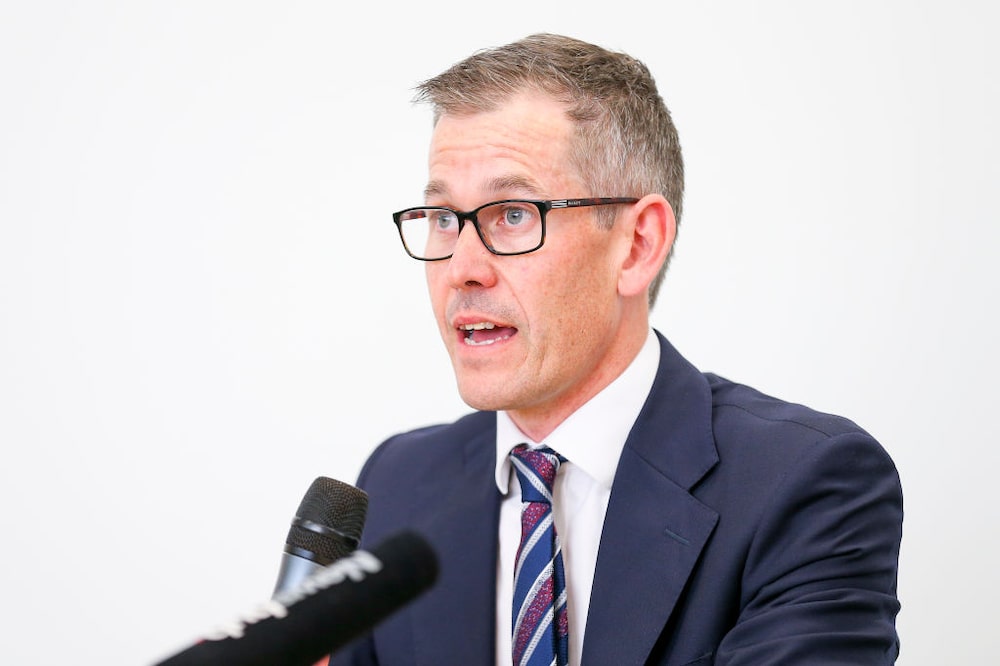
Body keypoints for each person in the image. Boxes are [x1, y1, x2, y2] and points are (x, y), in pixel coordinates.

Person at [330, 33, 902, 665]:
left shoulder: (804, 485)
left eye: (512, 214)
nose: (462, 268)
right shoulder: (400, 482)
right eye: (443, 218)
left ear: (637, 245)